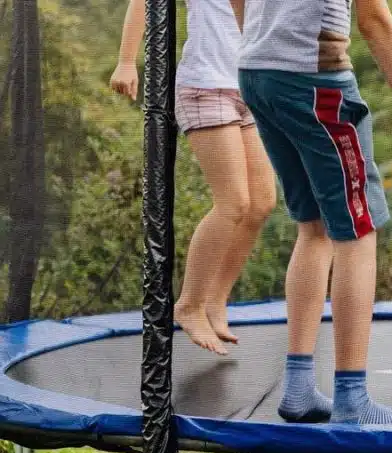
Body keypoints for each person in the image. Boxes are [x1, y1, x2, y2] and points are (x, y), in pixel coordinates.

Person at [230, 0, 392, 424]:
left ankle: (297, 387)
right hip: (314, 80)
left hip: (257, 73)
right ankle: (352, 397)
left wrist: (264, 43)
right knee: (358, 228)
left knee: (312, 226)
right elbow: (375, 20)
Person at [111, 0, 277, 356]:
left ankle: (215, 301)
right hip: (206, 87)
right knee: (233, 203)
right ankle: (189, 304)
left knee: (262, 203)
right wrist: (127, 61)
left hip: (250, 87)